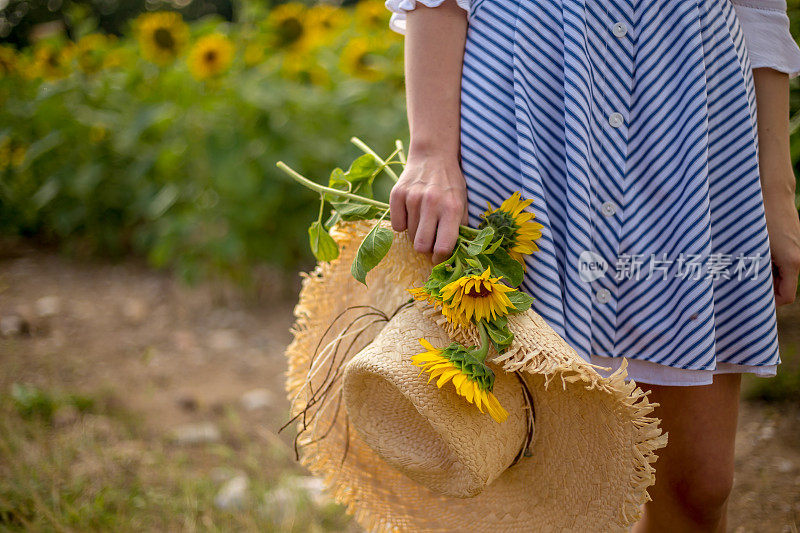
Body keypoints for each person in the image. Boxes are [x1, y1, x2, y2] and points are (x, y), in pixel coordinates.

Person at [383, 0, 800, 530]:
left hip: (695, 126)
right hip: (530, 115)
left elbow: (758, 9)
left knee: (700, 484)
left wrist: (777, 190)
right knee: (534, 476)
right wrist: (431, 151)